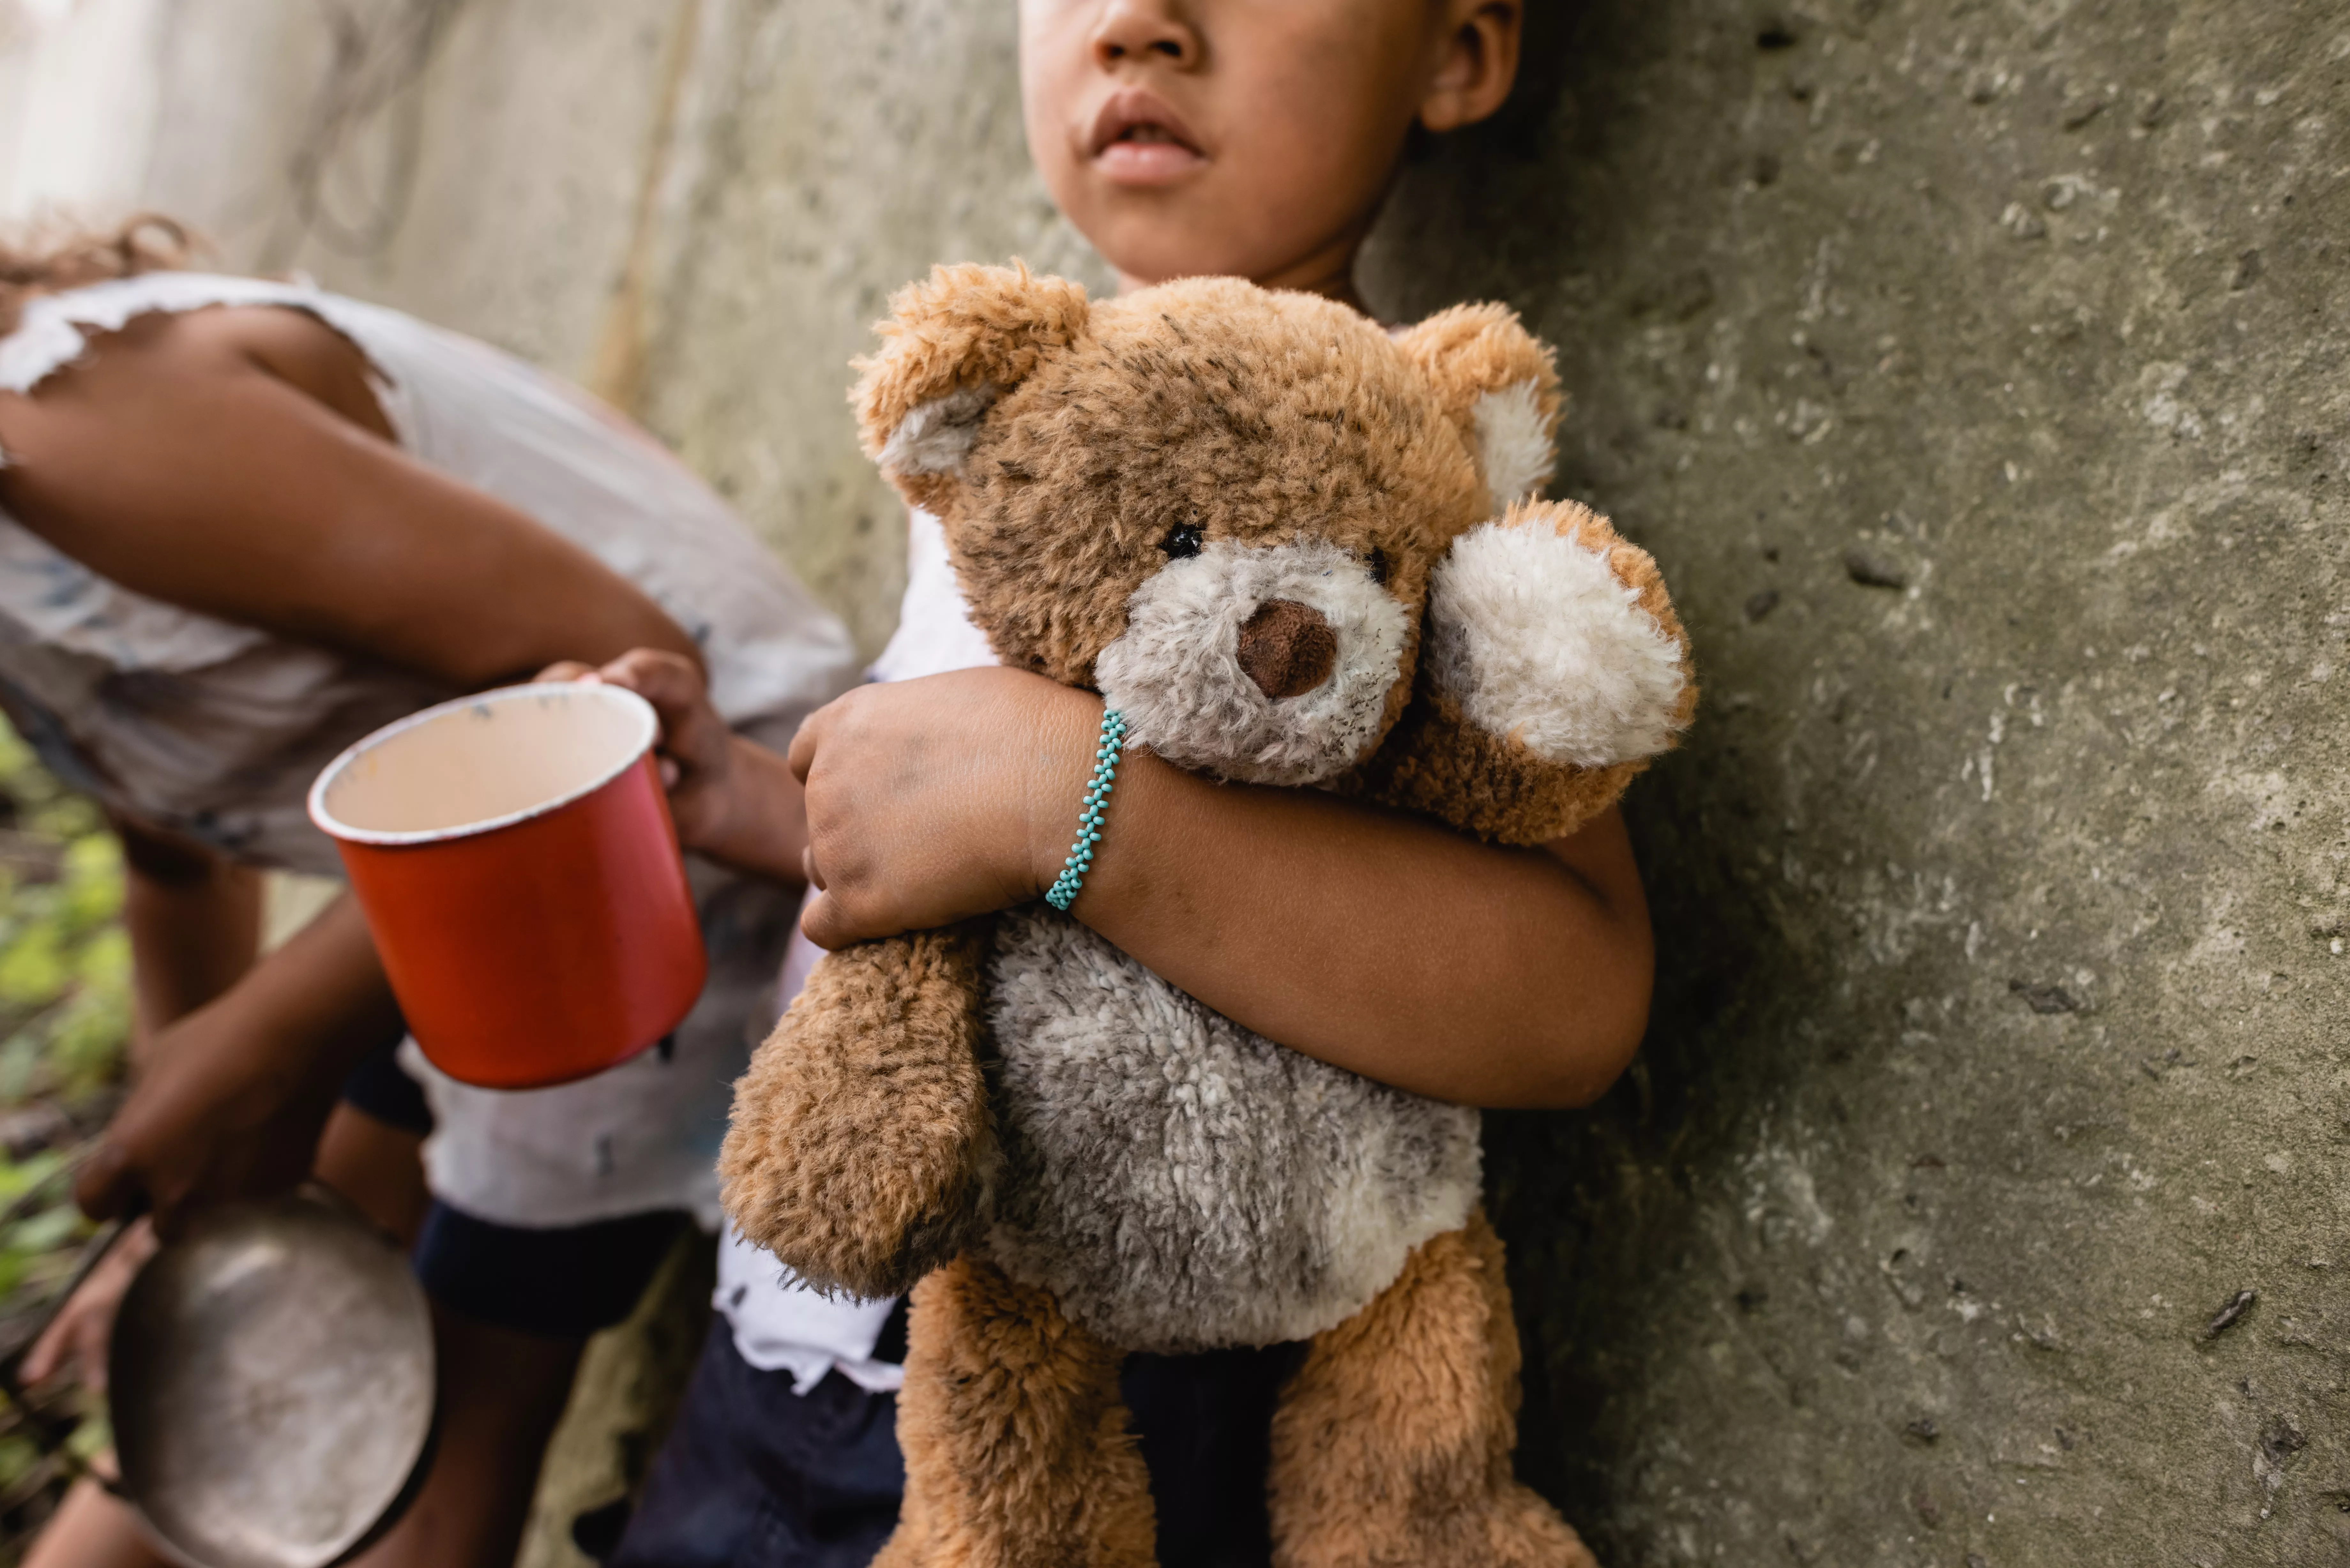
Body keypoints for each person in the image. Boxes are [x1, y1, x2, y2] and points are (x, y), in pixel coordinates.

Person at [609, 3, 1657, 1565]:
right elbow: (952, 864)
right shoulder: (1010, 442)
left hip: (1127, 1411)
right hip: (790, 1347)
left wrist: (1067, 800)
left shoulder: (1427, 512)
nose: (1136, 23)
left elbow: (1576, 1000)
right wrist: (757, 806)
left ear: (1457, 56)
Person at [0, 222, 859, 1568]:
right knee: (241, 1378)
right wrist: (199, 1174)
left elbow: (602, 677)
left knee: (430, 1462)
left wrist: (270, 1040)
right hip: (455, 899)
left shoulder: (65, 434)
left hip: (683, 830)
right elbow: (176, 856)